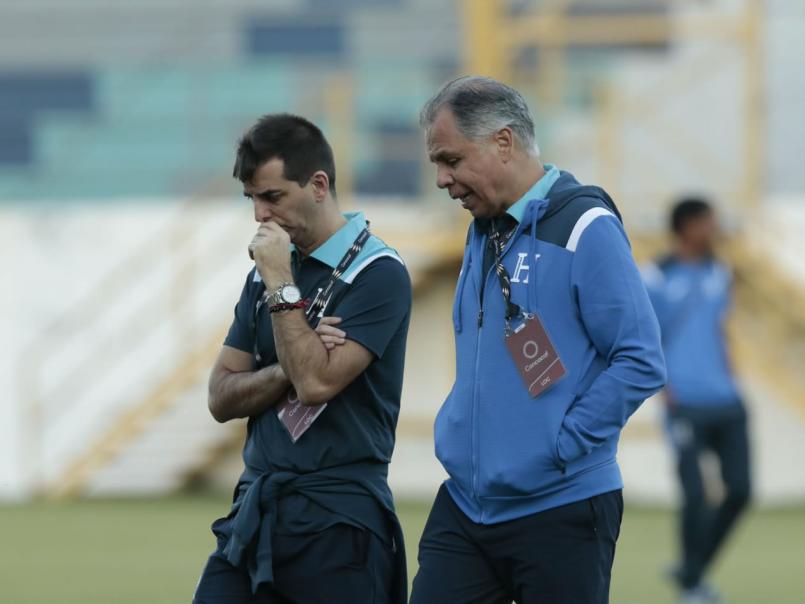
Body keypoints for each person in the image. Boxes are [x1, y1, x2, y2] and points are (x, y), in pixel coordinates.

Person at [409, 76, 666, 604]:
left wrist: (562, 446)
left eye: (451, 160)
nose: (441, 179)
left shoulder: (585, 226)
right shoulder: (484, 227)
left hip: (560, 506)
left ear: (503, 142)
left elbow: (640, 359)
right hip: (466, 504)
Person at [192, 113, 412, 604]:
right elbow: (221, 396)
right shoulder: (264, 273)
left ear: (318, 185)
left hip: (340, 519)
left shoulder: (378, 273)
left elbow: (314, 384)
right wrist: (286, 366)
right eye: (251, 199)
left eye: (272, 197)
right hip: (257, 509)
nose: (259, 216)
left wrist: (280, 287)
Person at [643, 198, 751, 604]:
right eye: (708, 222)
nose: (714, 228)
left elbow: (720, 330)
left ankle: (690, 570)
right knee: (695, 495)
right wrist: (665, 391)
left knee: (740, 490)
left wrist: (733, 378)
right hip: (683, 401)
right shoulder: (654, 276)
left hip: (727, 399)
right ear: (685, 226)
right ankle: (692, 586)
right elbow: (646, 338)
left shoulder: (720, 272)